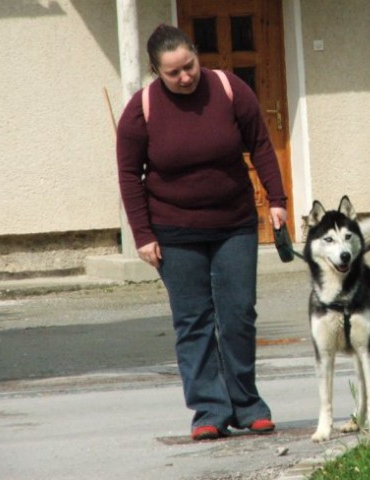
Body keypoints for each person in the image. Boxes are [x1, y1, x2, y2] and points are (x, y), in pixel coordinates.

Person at [116, 24, 287, 441]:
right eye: (173, 72)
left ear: (196, 55)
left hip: (235, 225)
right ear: (157, 72)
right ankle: (209, 410)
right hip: (174, 231)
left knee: (238, 315)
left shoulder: (230, 90)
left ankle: (247, 405)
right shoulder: (142, 111)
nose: (185, 77)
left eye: (189, 66)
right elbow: (128, 175)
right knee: (193, 322)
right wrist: (143, 234)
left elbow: (261, 145)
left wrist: (278, 199)